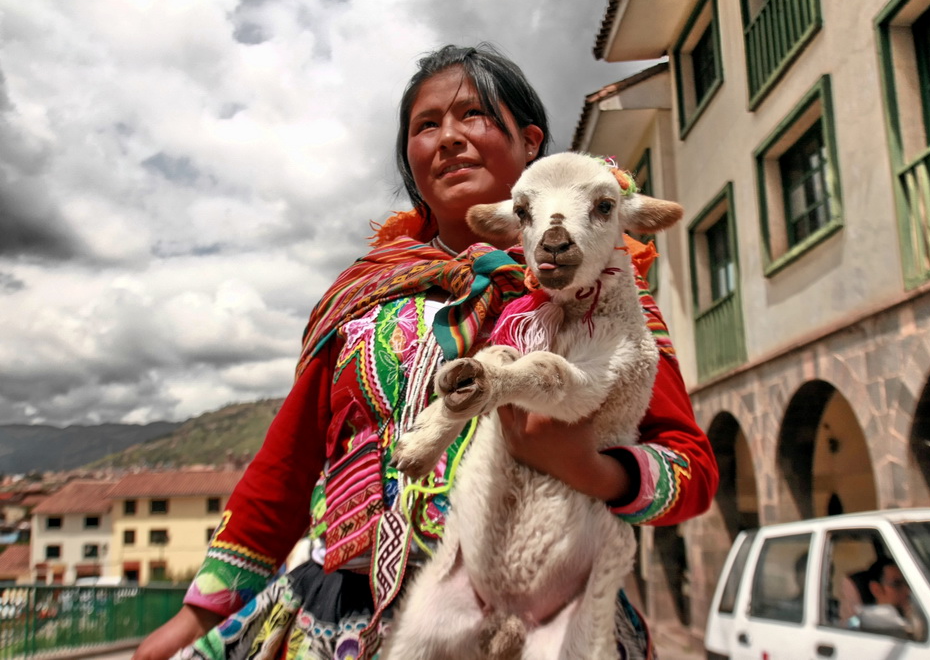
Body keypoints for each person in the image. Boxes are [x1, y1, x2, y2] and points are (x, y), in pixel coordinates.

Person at [135, 43, 718, 660]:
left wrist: (591, 469)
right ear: (411, 162)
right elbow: (284, 470)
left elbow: (692, 469)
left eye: (473, 116)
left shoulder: (603, 297)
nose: (448, 138)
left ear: (529, 143)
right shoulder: (361, 301)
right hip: (341, 626)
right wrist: (196, 619)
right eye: (425, 126)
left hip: (532, 626)